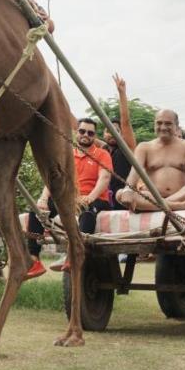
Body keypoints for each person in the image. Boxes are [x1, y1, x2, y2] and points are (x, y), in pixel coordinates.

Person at [26, 117, 113, 278]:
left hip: (94, 199)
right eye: (82, 131)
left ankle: (74, 255)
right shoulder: (67, 155)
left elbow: (104, 179)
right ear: (76, 133)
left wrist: (90, 197)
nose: (85, 135)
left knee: (87, 213)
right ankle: (33, 259)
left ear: (95, 136)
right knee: (36, 211)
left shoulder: (102, 154)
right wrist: (43, 199)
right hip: (68, 198)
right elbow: (53, 179)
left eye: (90, 132)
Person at [114, 109, 185, 212]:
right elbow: (134, 173)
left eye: (168, 124)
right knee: (121, 193)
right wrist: (128, 189)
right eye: (159, 123)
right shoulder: (144, 147)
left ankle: (155, 206)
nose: (163, 127)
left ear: (176, 126)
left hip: (182, 194)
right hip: (153, 196)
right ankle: (177, 206)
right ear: (154, 125)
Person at [105, 73, 139, 202]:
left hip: (126, 196)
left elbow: (125, 121)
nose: (112, 133)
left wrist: (122, 94)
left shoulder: (127, 148)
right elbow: (79, 131)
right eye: (109, 130)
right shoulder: (103, 149)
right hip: (108, 198)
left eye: (116, 130)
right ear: (103, 134)